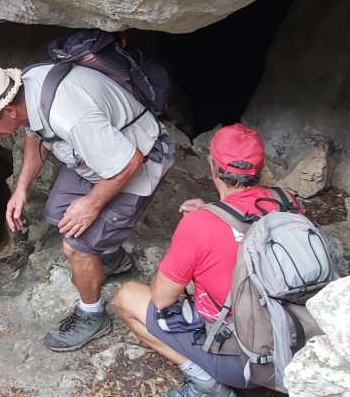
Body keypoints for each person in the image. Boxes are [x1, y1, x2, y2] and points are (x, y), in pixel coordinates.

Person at [0, 63, 174, 352]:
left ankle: (92, 315)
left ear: (8, 111)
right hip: (96, 157)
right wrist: (21, 189)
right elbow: (33, 134)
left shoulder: (69, 116)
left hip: (137, 159)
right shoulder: (24, 91)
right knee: (57, 213)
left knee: (76, 246)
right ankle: (112, 256)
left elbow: (129, 162)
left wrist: (91, 205)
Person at [115, 123, 300, 397]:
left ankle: (208, 385)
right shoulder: (288, 202)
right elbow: (248, 227)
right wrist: (212, 212)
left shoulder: (200, 227)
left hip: (244, 362)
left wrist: (190, 234)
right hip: (296, 342)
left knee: (127, 297)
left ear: (212, 166)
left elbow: (162, 298)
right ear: (261, 168)